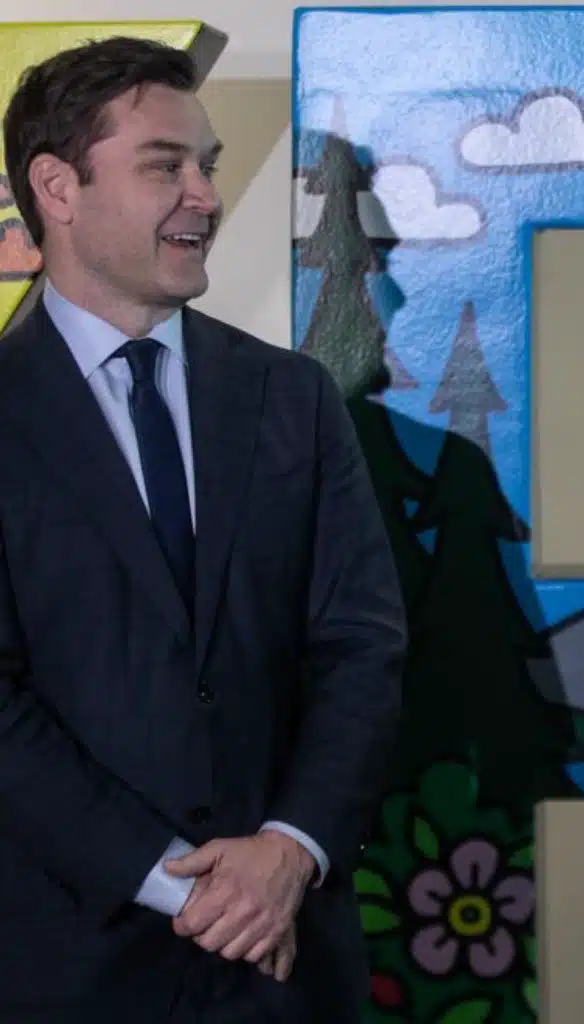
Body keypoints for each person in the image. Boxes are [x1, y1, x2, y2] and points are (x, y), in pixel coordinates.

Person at [0, 35, 405, 1023]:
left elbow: (361, 645)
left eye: (208, 166)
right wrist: (181, 887)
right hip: (67, 970)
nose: (206, 197)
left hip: (286, 965)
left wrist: (289, 851)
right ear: (56, 187)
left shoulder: (293, 398)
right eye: (165, 166)